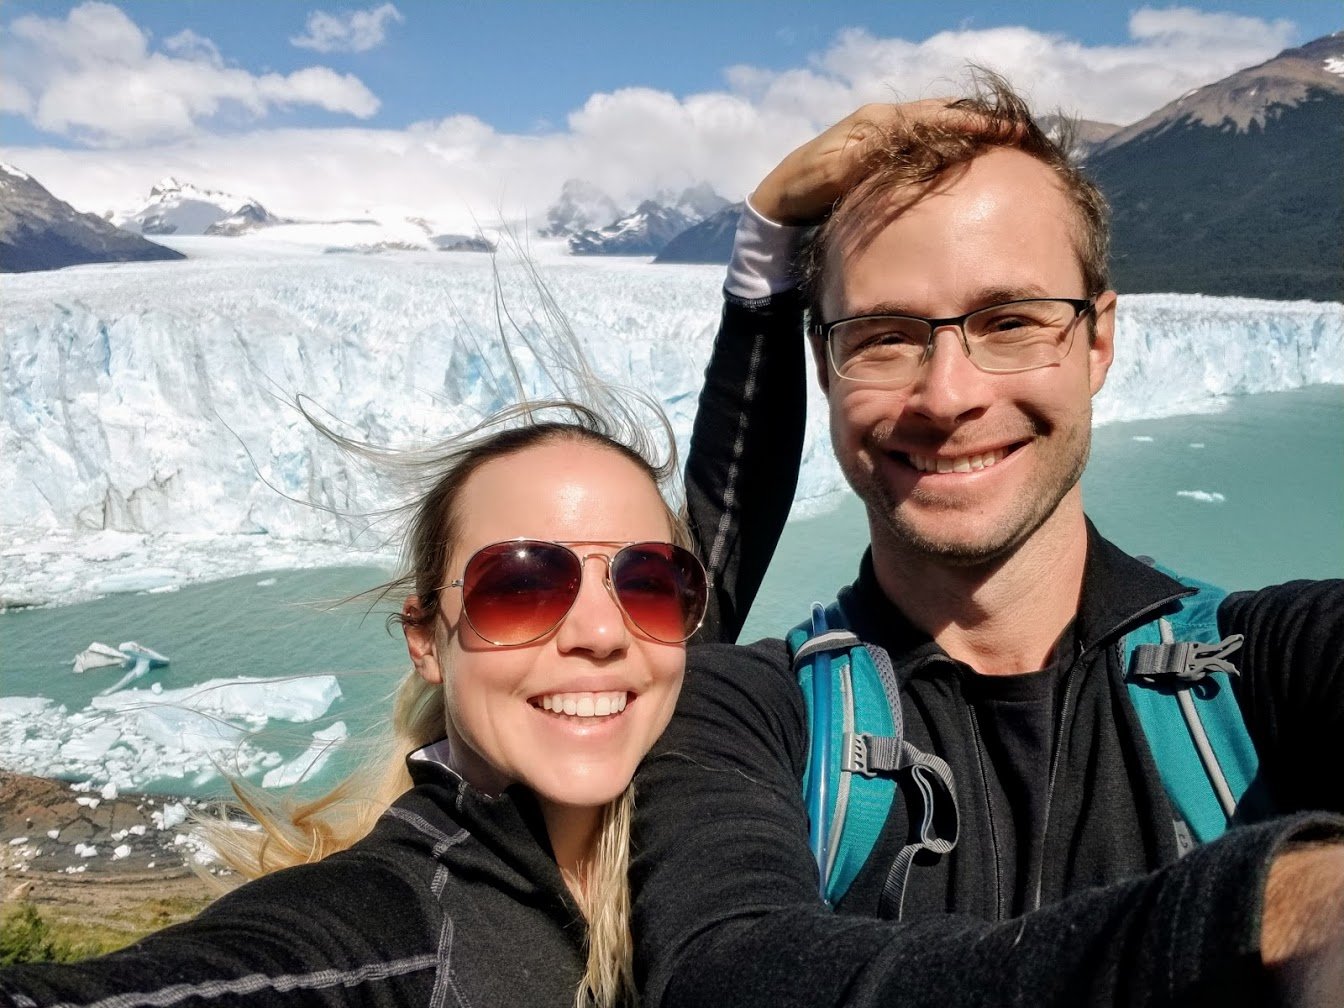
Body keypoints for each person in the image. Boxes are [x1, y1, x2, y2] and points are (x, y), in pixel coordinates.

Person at [631, 76, 1344, 1006]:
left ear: (1097, 342)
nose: (949, 395)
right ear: (825, 367)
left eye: (1009, 322)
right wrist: (1271, 912)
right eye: (884, 336)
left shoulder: (1270, 677)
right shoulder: (748, 721)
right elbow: (724, 976)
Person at [0, 404, 712, 1008]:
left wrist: (764, 270)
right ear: (427, 639)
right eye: (519, 586)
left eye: (649, 582)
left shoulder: (707, 817)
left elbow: (733, 503)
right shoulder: (388, 931)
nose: (601, 632)